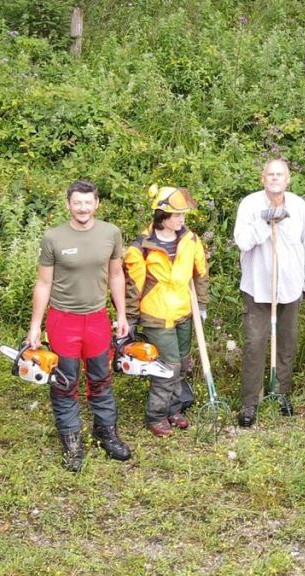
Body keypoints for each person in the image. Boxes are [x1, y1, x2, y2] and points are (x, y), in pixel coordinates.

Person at [26, 179, 132, 472]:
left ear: (97, 204)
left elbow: (116, 276)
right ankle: (72, 441)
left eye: (88, 202)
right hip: (63, 321)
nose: (83, 208)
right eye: (77, 203)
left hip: (97, 319)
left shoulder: (110, 233)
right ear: (68, 205)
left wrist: (122, 314)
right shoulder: (53, 238)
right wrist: (35, 326)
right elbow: (43, 283)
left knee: (101, 378)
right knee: (64, 382)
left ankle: (106, 431)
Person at [232, 158, 305, 427]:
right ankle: (250, 402)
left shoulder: (299, 205)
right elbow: (242, 241)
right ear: (263, 178)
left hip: (290, 286)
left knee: (286, 343)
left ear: (288, 179)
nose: (275, 178)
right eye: (270, 174)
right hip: (257, 287)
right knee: (255, 343)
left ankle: (281, 393)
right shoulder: (250, 204)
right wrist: (266, 222)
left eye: (280, 174)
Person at [123, 185, 209, 437]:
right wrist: (130, 319)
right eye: (177, 215)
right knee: (168, 366)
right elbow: (133, 286)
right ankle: (157, 415)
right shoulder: (142, 247)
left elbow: (201, 274)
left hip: (183, 311)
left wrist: (202, 305)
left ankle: (174, 408)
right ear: (162, 216)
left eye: (183, 215)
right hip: (156, 316)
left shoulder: (190, 240)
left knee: (182, 363)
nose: (182, 219)